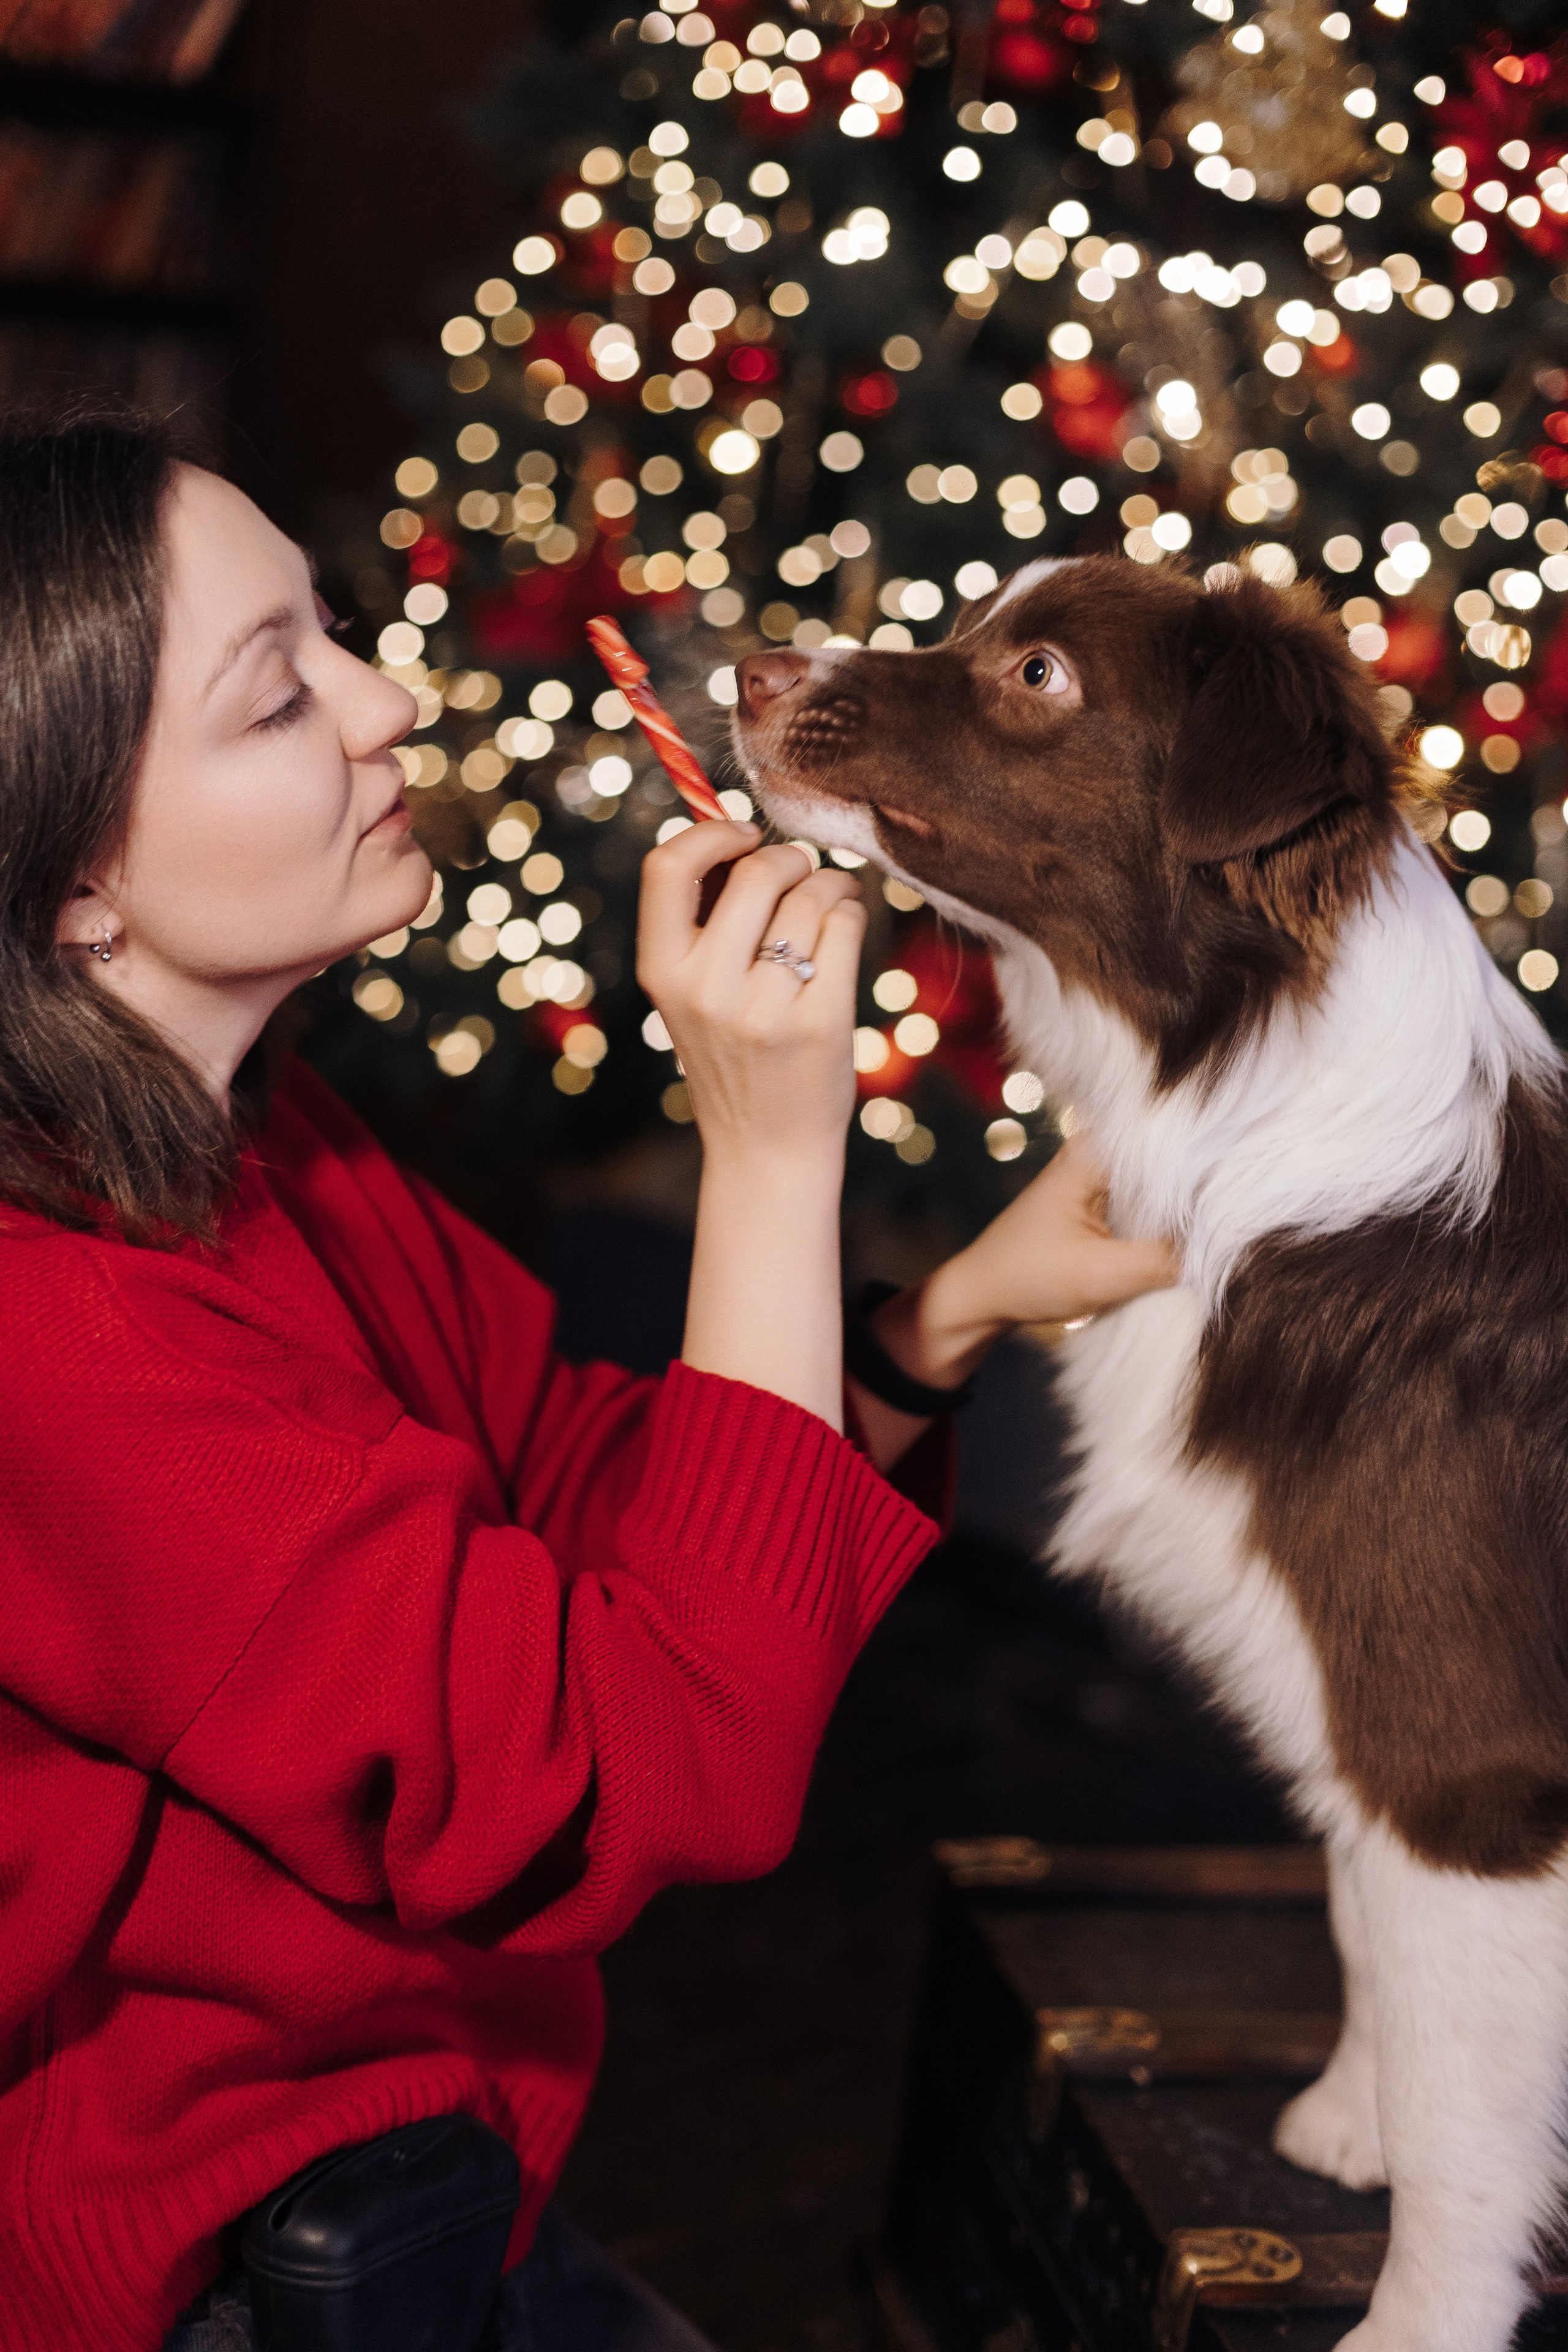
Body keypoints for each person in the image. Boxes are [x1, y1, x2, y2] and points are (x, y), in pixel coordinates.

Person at [0, 405, 1176, 2352]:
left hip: (445, 2187)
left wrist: (940, 1317)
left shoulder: (282, 1162)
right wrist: (772, 1151)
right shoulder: (59, 1344)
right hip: (210, 2284)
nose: (387, 700)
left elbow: (609, 1510)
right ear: (72, 892)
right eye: (274, 698)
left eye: (336, 630)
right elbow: (653, 1761)